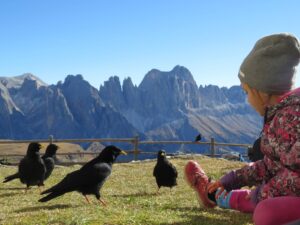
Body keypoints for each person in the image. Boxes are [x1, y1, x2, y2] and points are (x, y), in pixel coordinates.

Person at [185, 33, 300, 225]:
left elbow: (296, 179)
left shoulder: (291, 119)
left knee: (265, 212)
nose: (246, 99)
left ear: (261, 92)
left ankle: (216, 196)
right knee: (260, 200)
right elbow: (271, 165)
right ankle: (214, 194)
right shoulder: (281, 114)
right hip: (285, 191)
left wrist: (256, 195)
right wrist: (231, 180)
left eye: (246, 91)